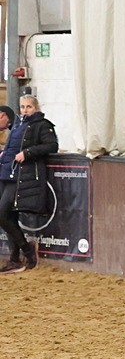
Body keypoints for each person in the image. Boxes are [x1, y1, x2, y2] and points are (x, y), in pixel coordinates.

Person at [0, 95, 58, 272]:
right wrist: (5, 155)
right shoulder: (18, 124)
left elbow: (52, 146)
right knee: (9, 216)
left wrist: (28, 153)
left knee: (2, 214)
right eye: (23, 107)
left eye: (29, 107)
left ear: (36, 108)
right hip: (6, 172)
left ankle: (27, 251)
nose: (25, 110)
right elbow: (12, 146)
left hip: (20, 175)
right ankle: (14, 259)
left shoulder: (43, 125)